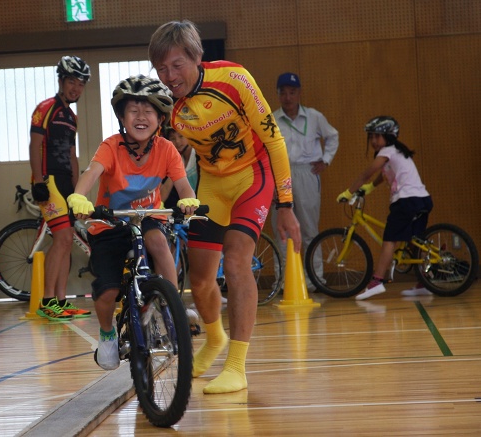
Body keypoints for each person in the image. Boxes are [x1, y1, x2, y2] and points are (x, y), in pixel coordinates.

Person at [148, 20, 301, 394]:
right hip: (212, 183)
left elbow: (275, 140)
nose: (170, 76)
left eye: (177, 65)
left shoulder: (235, 79)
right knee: (200, 281)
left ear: (197, 57)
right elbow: (159, 151)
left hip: (254, 175)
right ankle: (214, 339)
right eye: (161, 69)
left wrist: (286, 204)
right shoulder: (167, 103)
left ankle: (236, 366)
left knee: (235, 261)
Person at [66, 74, 200, 370]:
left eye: (148, 111)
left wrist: (188, 201)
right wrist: (79, 197)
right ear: (122, 116)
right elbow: (91, 173)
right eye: (133, 111)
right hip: (109, 225)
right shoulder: (111, 147)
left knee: (157, 241)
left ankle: (172, 303)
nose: (141, 117)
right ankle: (107, 333)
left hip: (146, 219)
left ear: (161, 118)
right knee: (108, 292)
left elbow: (183, 186)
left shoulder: (166, 149)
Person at [338, 116, 433, 300]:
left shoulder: (387, 151)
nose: (373, 141)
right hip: (422, 199)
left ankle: (376, 282)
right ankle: (425, 281)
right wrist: (372, 187)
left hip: (406, 201)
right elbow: (385, 173)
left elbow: (367, 173)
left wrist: (349, 192)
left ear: (389, 136)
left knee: (390, 240)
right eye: (371, 137)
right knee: (415, 240)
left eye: (377, 136)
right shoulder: (395, 151)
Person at [29, 55, 92, 321]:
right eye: (71, 82)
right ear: (61, 81)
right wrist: (38, 181)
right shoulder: (46, 108)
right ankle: (47, 301)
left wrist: (77, 190)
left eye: (80, 84)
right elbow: (34, 146)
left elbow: (72, 154)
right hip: (48, 180)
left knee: (65, 243)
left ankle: (61, 301)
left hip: (66, 182)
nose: (75, 88)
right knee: (64, 238)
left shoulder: (71, 116)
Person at [271, 72, 339, 291]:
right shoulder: (272, 119)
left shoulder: (314, 117)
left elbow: (332, 136)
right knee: (281, 230)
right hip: (281, 176)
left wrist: (326, 161)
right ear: (278, 95)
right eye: (283, 93)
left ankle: (314, 279)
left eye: (292, 92)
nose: (288, 97)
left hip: (307, 172)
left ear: (299, 93)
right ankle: (283, 281)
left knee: (309, 230)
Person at [160, 124, 199, 207]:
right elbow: (164, 193)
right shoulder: (175, 159)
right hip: (191, 206)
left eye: (181, 136)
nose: (177, 141)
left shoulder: (199, 155)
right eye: (173, 138)